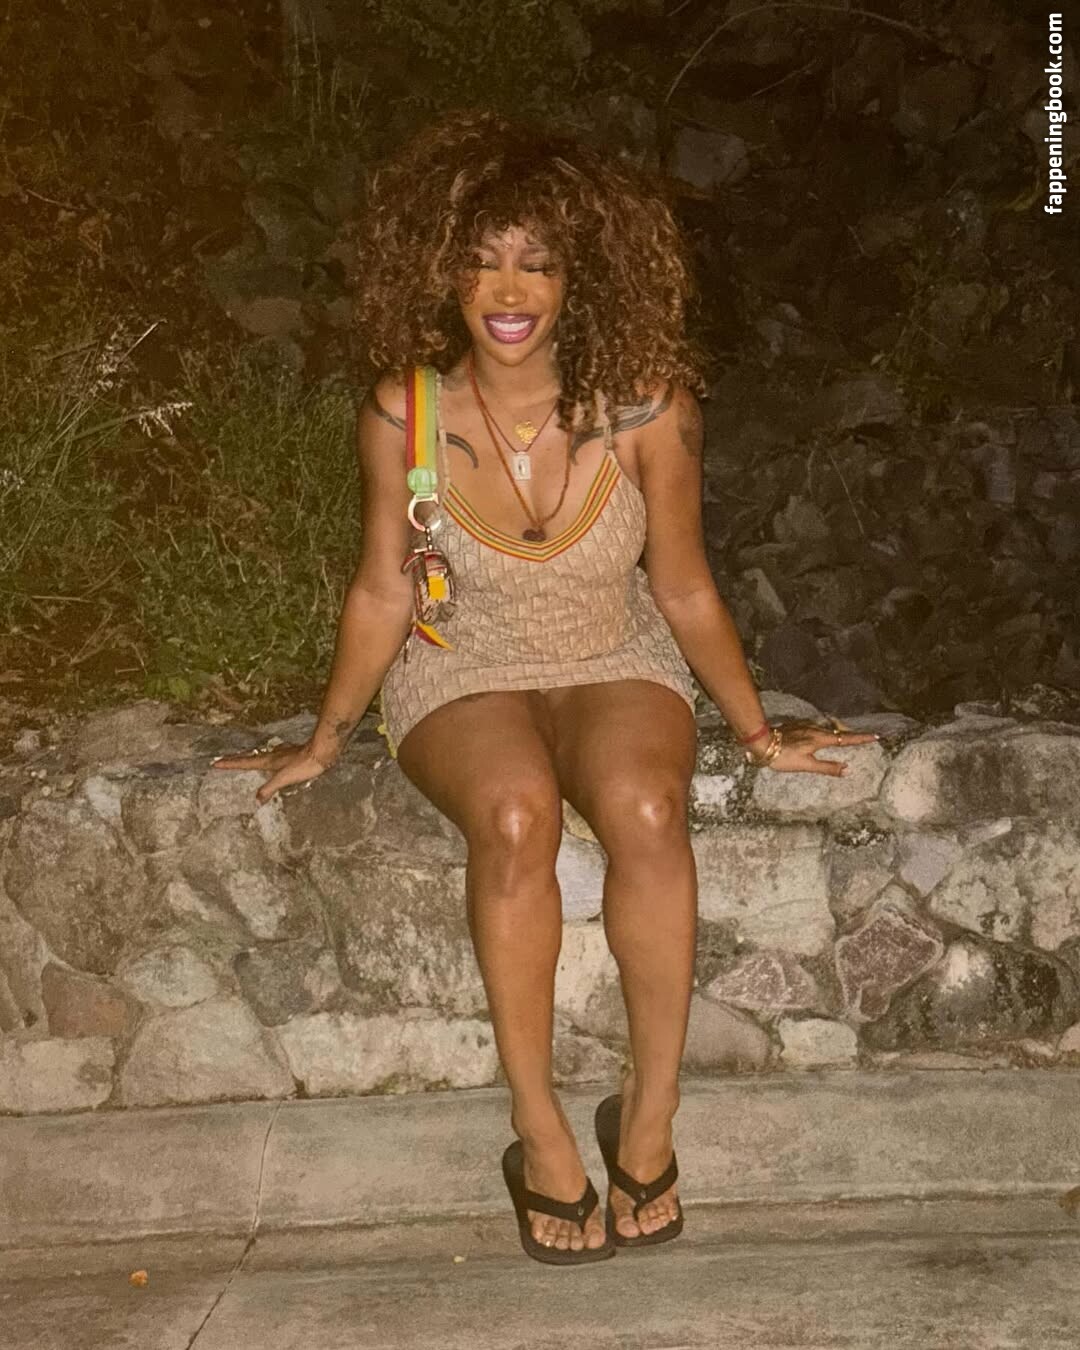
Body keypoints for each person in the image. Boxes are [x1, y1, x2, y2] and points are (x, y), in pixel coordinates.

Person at [212, 110, 877, 1266]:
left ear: (581, 278)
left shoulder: (650, 409)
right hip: (460, 661)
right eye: (484, 261)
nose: (509, 289)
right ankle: (540, 1132)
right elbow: (383, 587)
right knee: (516, 813)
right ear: (445, 274)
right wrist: (324, 738)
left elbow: (683, 586)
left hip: (613, 648)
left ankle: (651, 1114)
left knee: (648, 808)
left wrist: (758, 731)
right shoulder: (405, 414)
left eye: (538, 262)